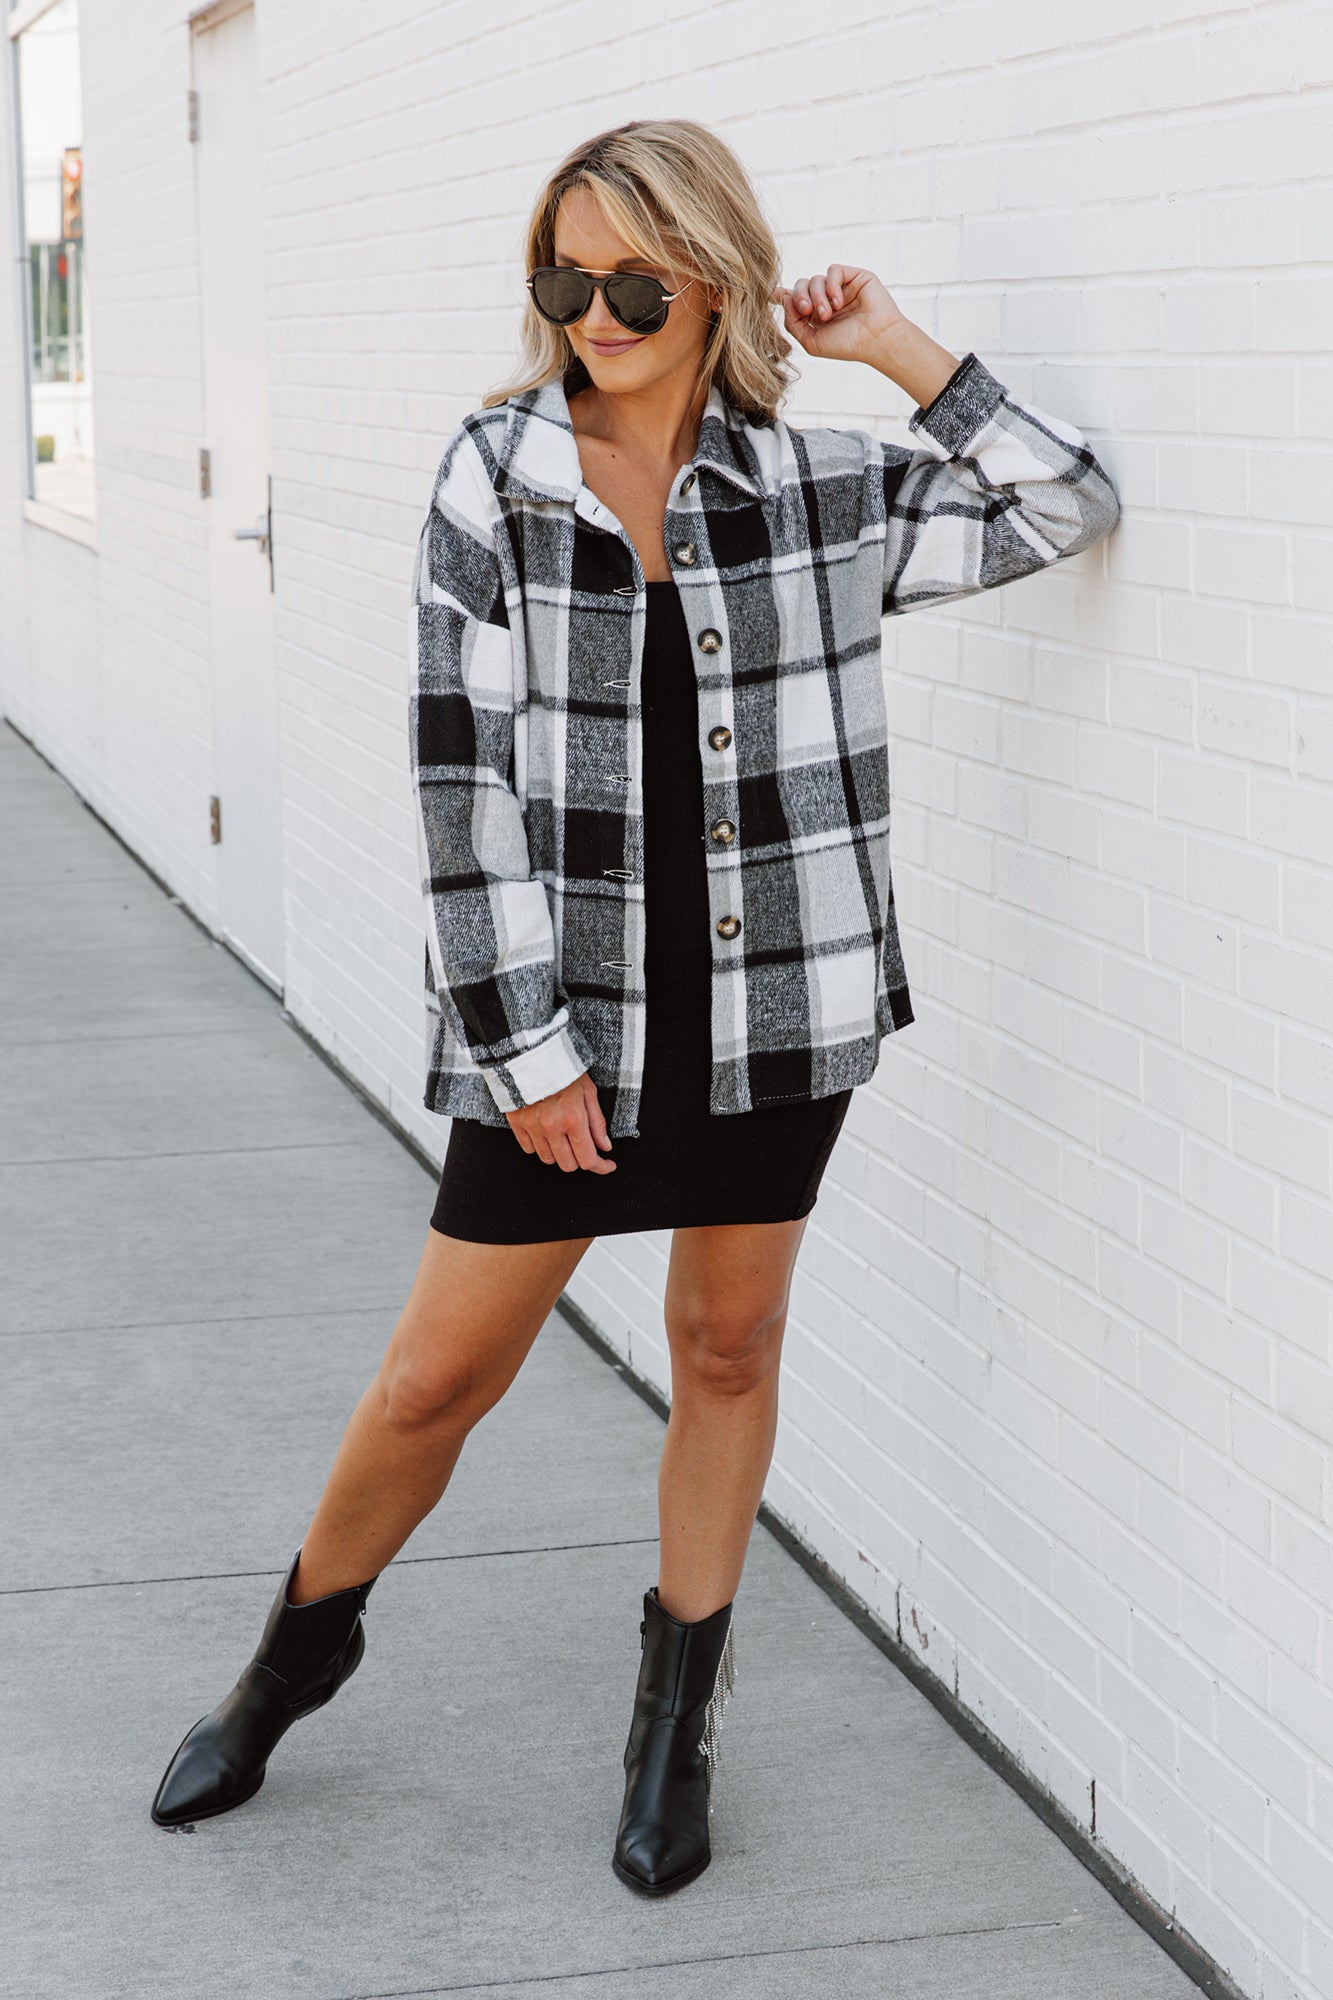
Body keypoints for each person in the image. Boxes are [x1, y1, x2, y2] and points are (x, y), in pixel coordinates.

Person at [150, 117, 1119, 1895]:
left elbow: (1059, 502)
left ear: (715, 281)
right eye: (563, 280)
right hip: (562, 1026)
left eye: (634, 285)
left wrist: (892, 346)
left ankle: (674, 1724)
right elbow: (456, 780)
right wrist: (525, 1049)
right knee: (437, 1377)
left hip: (776, 1012)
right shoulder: (497, 475)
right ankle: (289, 1662)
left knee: (727, 1349)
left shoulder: (814, 488)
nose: (593, 315)